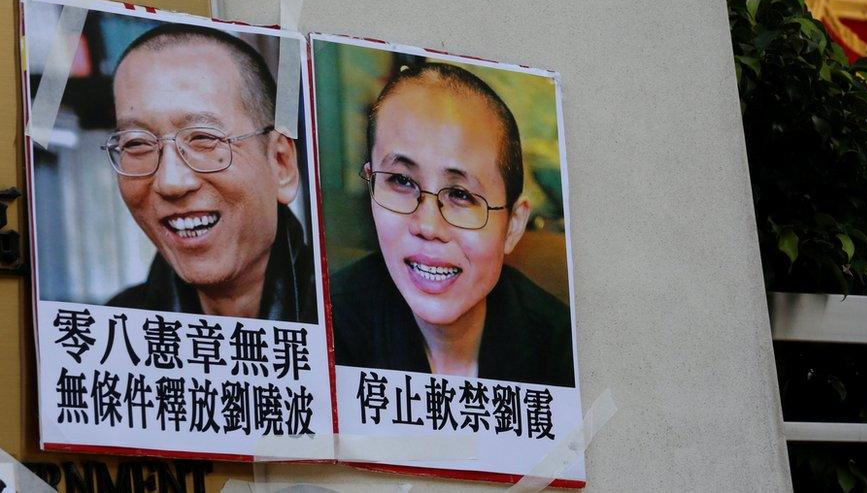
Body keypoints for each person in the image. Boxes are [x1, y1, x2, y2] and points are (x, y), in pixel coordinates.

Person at [331, 62, 575, 387]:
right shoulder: (327, 328)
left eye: (460, 194)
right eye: (402, 181)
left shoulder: (560, 353)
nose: (428, 226)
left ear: (513, 226)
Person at [104, 23, 317, 324]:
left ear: (280, 163)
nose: (170, 182)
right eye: (137, 143)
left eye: (203, 139)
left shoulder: (354, 322)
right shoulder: (117, 328)